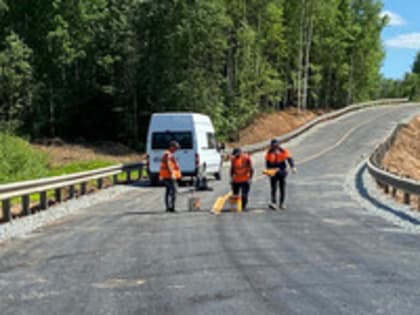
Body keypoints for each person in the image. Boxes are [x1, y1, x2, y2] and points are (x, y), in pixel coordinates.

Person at [265, 139, 296, 210]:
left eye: (276, 145)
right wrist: (268, 172)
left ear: (278, 145)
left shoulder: (283, 151)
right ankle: (274, 203)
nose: (274, 146)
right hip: (273, 172)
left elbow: (289, 159)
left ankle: (282, 203)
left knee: (282, 188)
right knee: (273, 188)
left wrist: (293, 167)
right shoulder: (269, 152)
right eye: (273, 145)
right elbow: (267, 163)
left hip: (282, 171)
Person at [159, 140, 182, 212]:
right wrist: (172, 174)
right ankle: (172, 207)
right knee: (174, 191)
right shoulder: (167, 154)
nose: (176, 150)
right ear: (171, 147)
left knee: (168, 191)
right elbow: (168, 165)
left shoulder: (168, 154)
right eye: (175, 148)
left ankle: (168, 207)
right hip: (169, 176)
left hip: (167, 176)